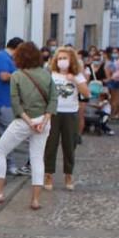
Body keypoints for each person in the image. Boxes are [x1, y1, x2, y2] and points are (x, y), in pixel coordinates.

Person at [0, 41, 56, 210]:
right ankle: (36, 199)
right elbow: (53, 99)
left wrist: (29, 121)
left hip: (24, 121)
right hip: (43, 122)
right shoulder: (47, 74)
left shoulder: (17, 76)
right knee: (37, 158)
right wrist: (44, 120)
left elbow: (16, 103)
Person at [43, 46, 88, 191]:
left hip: (70, 112)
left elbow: (87, 94)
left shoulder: (77, 75)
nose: (62, 61)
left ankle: (69, 174)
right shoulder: (51, 74)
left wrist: (74, 79)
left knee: (69, 145)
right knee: (51, 144)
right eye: (60, 58)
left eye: (65, 58)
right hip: (54, 113)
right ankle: (48, 174)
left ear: (71, 60)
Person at [0, 37, 27, 176]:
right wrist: (21, 76)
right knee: (7, 135)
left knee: (6, 134)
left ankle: (8, 164)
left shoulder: (8, 58)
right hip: (2, 103)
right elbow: (4, 76)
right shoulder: (3, 58)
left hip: (7, 102)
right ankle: (9, 165)